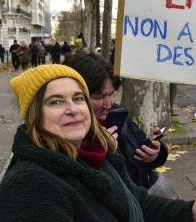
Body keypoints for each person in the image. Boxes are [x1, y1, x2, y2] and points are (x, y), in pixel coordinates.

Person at [0, 65, 196, 222]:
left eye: (78, 98)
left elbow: (137, 205)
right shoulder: (31, 189)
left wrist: (192, 215)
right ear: (35, 115)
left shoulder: (93, 156)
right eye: (55, 102)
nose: (73, 109)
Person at [63, 51, 168, 188]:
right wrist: (99, 148)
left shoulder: (118, 113)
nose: (108, 104)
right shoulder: (69, 129)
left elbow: (140, 143)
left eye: (112, 94)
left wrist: (154, 153)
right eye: (99, 97)